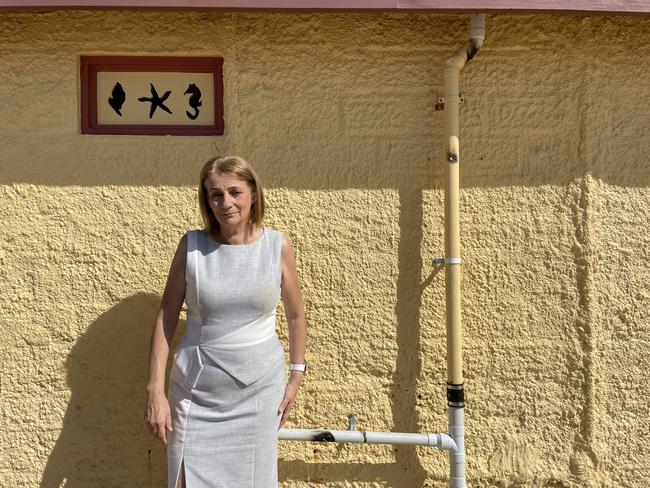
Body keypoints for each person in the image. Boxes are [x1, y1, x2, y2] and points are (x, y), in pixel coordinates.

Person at [144, 156, 307, 488]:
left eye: (235, 192)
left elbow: (295, 315)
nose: (225, 203)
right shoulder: (192, 246)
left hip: (260, 394)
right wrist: (154, 390)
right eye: (215, 195)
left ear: (253, 195)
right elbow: (168, 315)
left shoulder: (277, 246)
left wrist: (296, 375)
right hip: (196, 394)